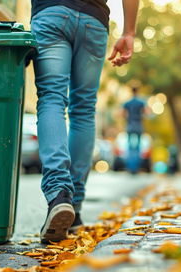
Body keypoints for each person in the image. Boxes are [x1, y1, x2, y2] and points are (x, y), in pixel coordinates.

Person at [30, 0, 139, 243]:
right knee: (84, 110)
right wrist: (129, 32)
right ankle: (74, 208)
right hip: (94, 20)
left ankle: (59, 194)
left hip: (51, 13)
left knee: (52, 98)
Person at [123, 87, 146, 174]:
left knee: (129, 147)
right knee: (138, 147)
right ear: (137, 91)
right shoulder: (141, 102)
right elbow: (145, 113)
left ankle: (129, 167)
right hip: (139, 126)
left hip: (129, 126)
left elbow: (122, 113)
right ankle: (136, 167)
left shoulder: (127, 103)